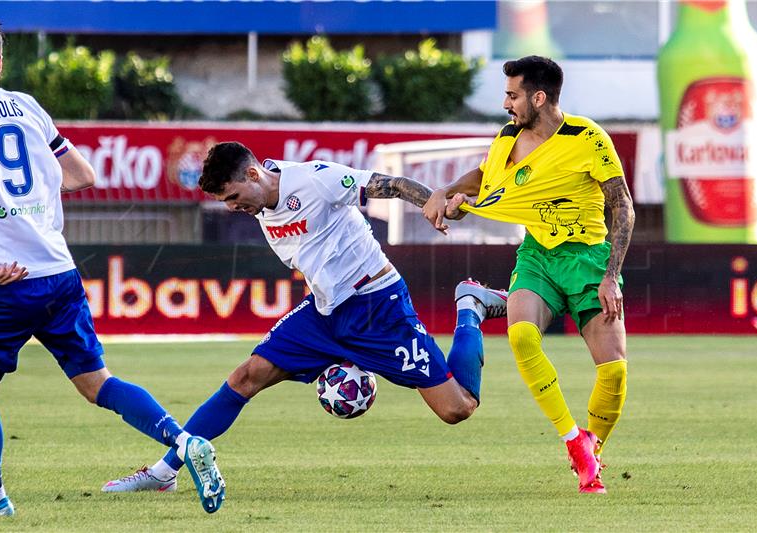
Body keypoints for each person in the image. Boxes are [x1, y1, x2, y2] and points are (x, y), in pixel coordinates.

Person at [102, 141, 508, 493]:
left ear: (253, 173)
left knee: (458, 409)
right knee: (246, 377)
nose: (232, 208)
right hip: (324, 315)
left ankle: (470, 306)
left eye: (231, 196)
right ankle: (165, 472)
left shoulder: (315, 179)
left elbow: (391, 185)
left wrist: (433, 201)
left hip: (378, 309)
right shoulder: (261, 206)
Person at [0, 17, 224, 516]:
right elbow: (82, 176)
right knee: (97, 382)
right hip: (60, 274)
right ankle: (182, 439)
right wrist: (35, 190)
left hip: (8, 279)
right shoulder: (28, 106)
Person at [422, 55, 634, 494]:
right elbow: (486, 178)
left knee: (613, 372)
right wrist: (448, 193)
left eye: (512, 95)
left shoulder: (588, 138)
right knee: (520, 336)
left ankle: (592, 446)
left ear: (539, 97)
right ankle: (574, 441)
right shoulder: (507, 137)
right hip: (538, 255)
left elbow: (623, 206)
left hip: (589, 260)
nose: (506, 103)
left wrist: (611, 275)